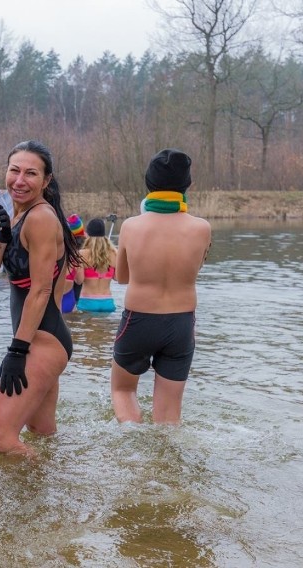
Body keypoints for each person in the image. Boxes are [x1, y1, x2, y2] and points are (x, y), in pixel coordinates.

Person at [0, 140, 82, 457]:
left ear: (46, 181)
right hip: (38, 339)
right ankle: (48, 500)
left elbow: (41, 290)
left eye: (31, 173)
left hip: (42, 340)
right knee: (41, 435)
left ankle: (69, 493)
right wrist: (2, 238)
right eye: (14, 171)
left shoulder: (40, 218)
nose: (19, 180)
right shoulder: (18, 216)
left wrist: (17, 351)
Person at [111, 148, 211, 424]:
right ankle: (166, 464)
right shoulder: (202, 228)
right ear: (186, 185)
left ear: (149, 184)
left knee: (122, 389)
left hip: (138, 320)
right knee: (169, 417)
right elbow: (194, 269)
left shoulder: (131, 226)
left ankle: (132, 448)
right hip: (181, 324)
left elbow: (121, 278)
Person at [75, 217, 118, 313]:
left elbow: (79, 280)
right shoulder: (114, 253)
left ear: (88, 234)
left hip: (87, 302)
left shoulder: (81, 254)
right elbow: (117, 278)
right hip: (107, 302)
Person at [62, 212, 85, 313]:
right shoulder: (76, 258)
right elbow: (79, 280)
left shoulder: (55, 253)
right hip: (69, 301)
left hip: (52, 302)